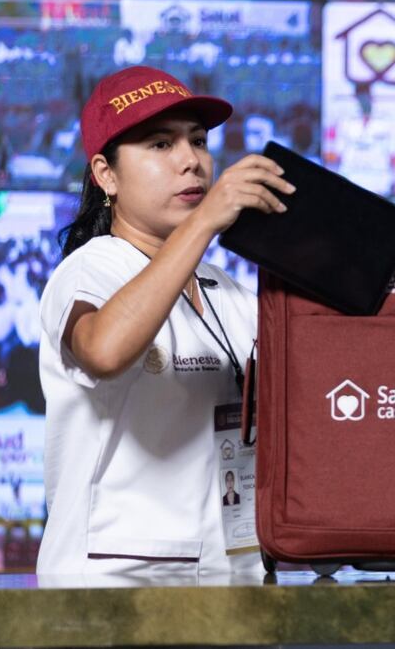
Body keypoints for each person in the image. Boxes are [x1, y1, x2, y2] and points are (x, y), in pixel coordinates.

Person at [37, 65, 293, 575]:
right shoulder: (90, 270)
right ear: (105, 174)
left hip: (231, 575)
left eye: (198, 141)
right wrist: (202, 223)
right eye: (160, 145)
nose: (191, 162)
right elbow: (103, 351)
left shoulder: (228, 292)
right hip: (113, 584)